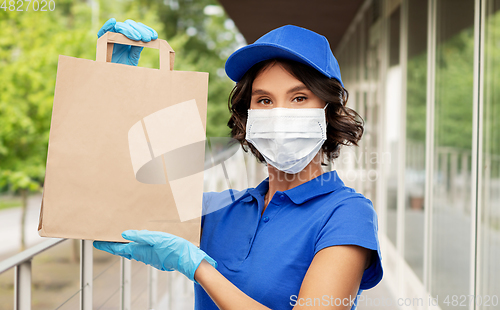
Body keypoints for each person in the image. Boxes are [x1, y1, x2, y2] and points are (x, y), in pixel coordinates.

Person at [94, 18, 383, 310]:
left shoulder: (347, 214)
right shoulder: (222, 209)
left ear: (328, 111)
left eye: (299, 97)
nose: (280, 114)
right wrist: (117, 86)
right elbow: (111, 198)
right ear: (249, 118)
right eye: (265, 101)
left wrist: (199, 268)